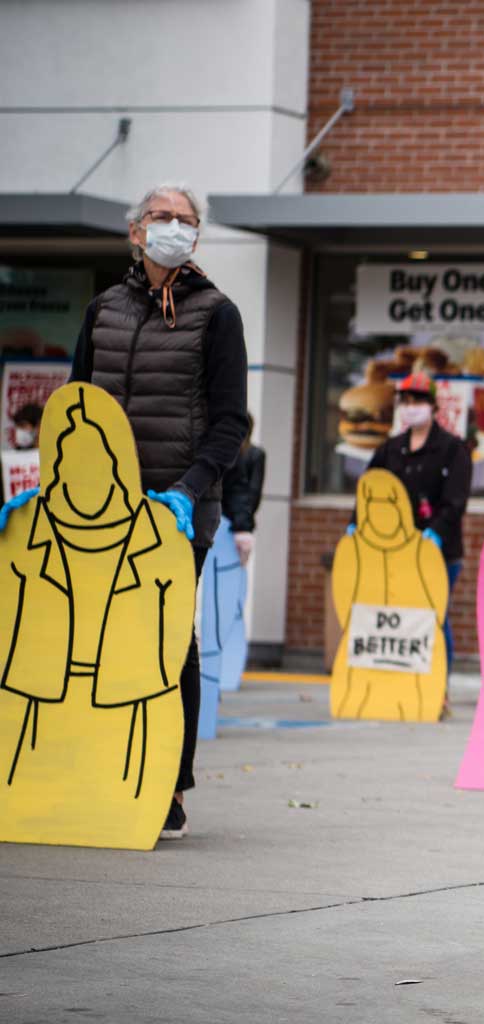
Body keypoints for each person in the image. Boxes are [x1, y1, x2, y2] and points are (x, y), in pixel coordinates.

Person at [66, 183, 250, 841]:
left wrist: (190, 488)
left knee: (168, 642)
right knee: (99, 635)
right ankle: (104, 766)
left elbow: (232, 422)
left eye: (186, 220)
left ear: (196, 238)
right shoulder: (103, 310)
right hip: (102, 507)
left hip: (177, 508)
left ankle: (169, 784)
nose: (174, 227)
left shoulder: (216, 314)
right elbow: (77, 406)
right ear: (136, 232)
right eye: (161, 217)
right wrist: (56, 485)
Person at [363, 371, 473, 662]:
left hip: (438, 553)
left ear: (433, 405)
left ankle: (438, 689)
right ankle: (404, 682)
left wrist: (435, 533)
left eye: (418, 400)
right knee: (400, 615)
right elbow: (370, 488)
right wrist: (357, 523)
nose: (411, 407)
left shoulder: (452, 449)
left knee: (434, 614)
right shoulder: (391, 448)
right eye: (406, 401)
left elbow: (456, 501)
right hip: (394, 551)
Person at [222, 412, 265, 564]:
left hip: (228, 520)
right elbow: (254, 493)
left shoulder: (238, 453)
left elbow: (249, 491)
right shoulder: (252, 454)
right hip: (239, 521)